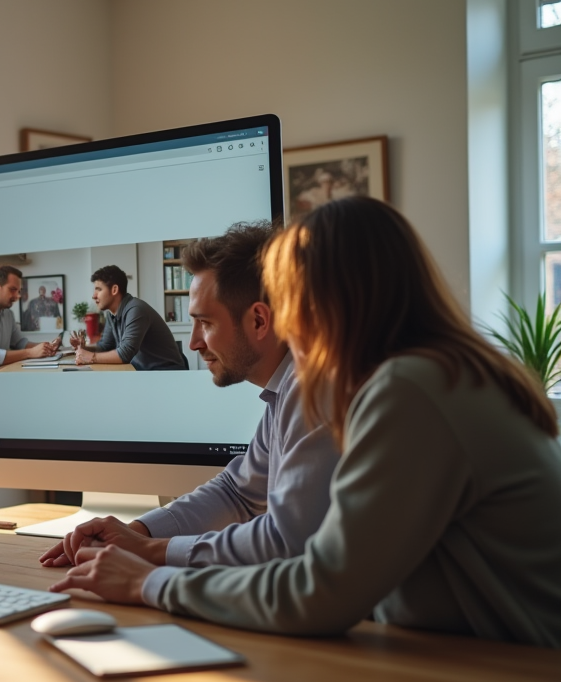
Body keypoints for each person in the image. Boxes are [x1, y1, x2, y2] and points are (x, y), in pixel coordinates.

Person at [50, 196, 561, 652]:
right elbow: (242, 490)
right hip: (494, 671)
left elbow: (320, 588)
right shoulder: (440, 372)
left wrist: (148, 580)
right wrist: (141, 537)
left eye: (289, 297)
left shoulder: (409, 389)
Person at [40, 222, 339, 571]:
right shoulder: (284, 389)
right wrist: (136, 531)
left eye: (205, 323)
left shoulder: (313, 391)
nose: (194, 342)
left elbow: (286, 543)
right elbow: (236, 492)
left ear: (259, 321)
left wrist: (152, 554)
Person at [69, 264, 186, 370]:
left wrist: (91, 357)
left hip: (166, 373)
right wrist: (84, 349)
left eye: (99, 289)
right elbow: (105, 347)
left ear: (114, 290)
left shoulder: (136, 309)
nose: (93, 296)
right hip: (143, 372)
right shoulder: (112, 314)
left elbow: (125, 354)